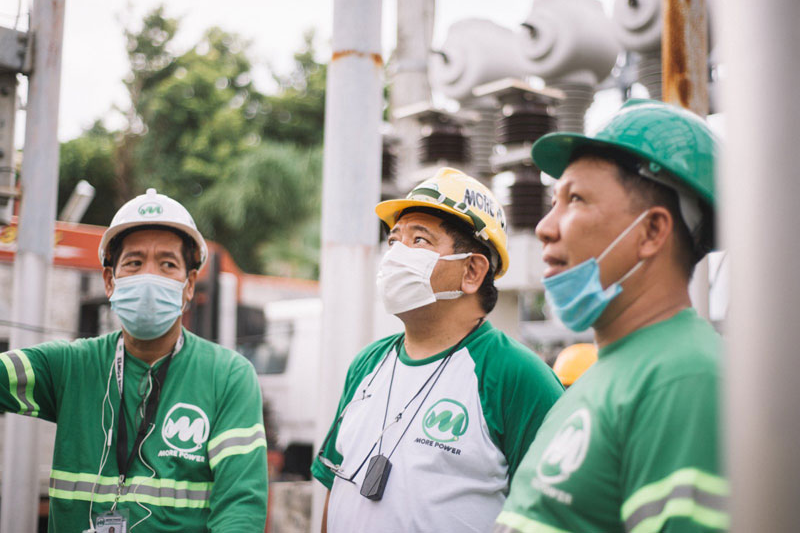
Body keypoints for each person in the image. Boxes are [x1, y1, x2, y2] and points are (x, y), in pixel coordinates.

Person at [494, 99, 728, 533]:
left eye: (576, 199)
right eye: (554, 200)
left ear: (652, 231)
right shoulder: (609, 373)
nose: (546, 226)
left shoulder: (685, 377)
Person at [311, 167, 564, 533]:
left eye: (420, 240)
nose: (396, 254)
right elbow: (336, 485)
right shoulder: (367, 366)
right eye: (394, 240)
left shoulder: (516, 376)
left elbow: (558, 511)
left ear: (473, 272)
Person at [0, 189, 268, 532]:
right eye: (134, 262)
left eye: (168, 264)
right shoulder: (70, 367)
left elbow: (240, 507)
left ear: (189, 285)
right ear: (110, 281)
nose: (149, 276)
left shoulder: (227, 376)